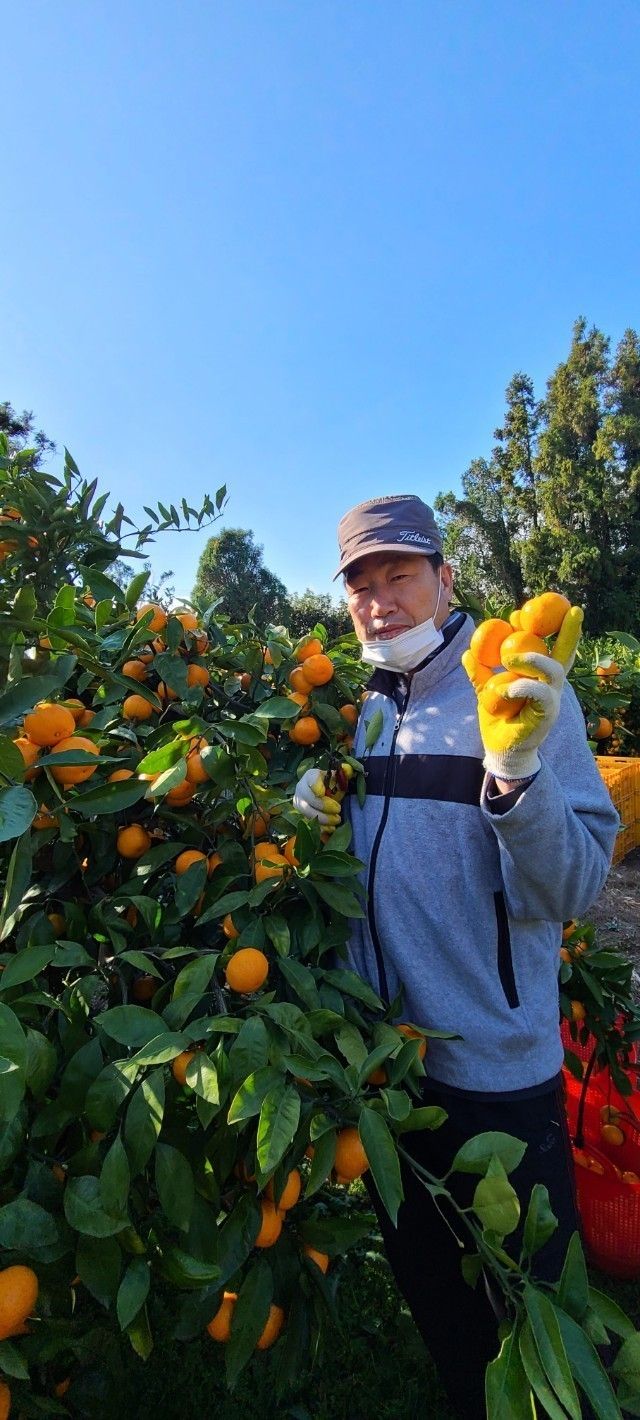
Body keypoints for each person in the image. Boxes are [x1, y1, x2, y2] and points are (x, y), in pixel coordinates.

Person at [293, 494, 619, 1418]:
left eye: (398, 574)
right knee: (441, 1303)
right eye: (361, 582)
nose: (380, 600)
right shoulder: (362, 706)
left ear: (444, 576)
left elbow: (577, 884)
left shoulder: (520, 690)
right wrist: (307, 807)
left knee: (533, 1310)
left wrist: (515, 779)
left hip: (494, 1068)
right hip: (389, 1070)